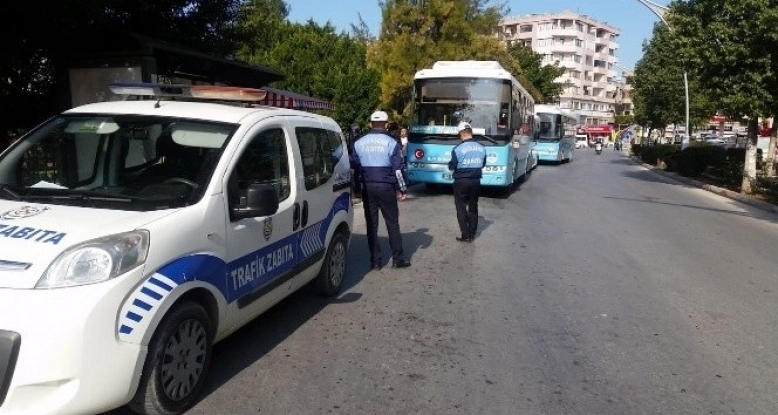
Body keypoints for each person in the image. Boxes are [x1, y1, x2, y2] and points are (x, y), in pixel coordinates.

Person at [351, 110, 411, 270]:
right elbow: (398, 169)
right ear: (386, 125)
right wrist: (402, 189)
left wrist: (356, 190)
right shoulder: (392, 142)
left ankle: (375, 261)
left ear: (370, 124)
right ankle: (397, 259)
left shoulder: (358, 143)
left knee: (371, 225)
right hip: (386, 187)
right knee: (392, 223)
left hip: (368, 188)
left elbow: (355, 170)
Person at [448, 121, 486, 243]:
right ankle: (472, 233)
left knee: (461, 207)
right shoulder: (481, 147)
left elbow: (452, 166)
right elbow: (483, 163)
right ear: (471, 133)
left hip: (461, 181)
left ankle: (465, 235)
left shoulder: (457, 149)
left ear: (461, 134)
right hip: (475, 180)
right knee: (473, 207)